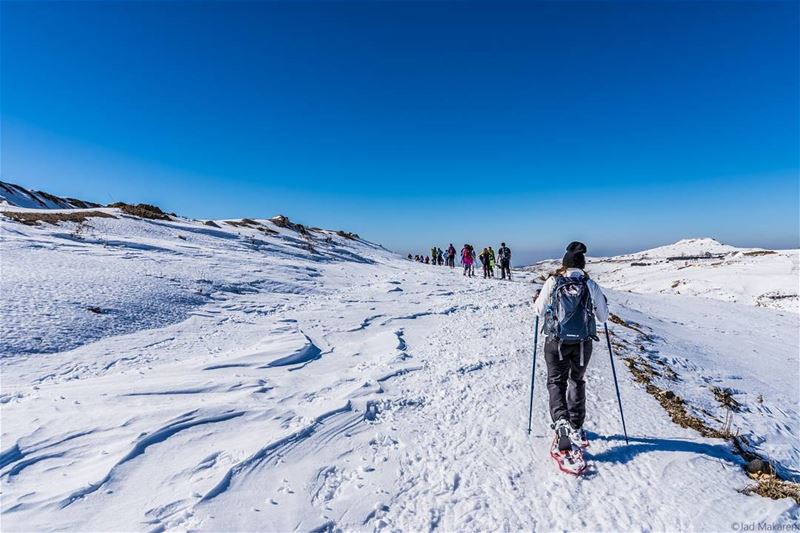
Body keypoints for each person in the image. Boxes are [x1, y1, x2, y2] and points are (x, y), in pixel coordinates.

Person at [533, 241, 608, 451]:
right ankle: (576, 425)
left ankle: (561, 421)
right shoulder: (589, 284)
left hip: (556, 341)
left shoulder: (553, 281)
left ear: (564, 263)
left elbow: (538, 311)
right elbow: (603, 317)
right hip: (582, 344)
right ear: (582, 264)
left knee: (556, 381)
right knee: (577, 380)